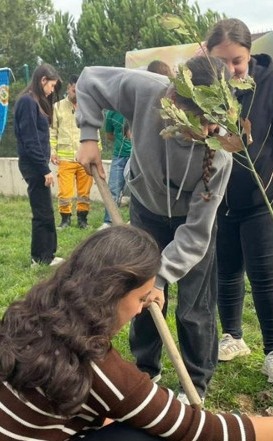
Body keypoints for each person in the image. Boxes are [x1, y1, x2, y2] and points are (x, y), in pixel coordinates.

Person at [0, 226, 273, 441]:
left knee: (115, 421)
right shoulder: (99, 365)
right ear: (108, 293)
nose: (143, 310)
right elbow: (200, 433)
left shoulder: (38, 311)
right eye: (140, 299)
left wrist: (143, 292)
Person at [76, 56, 230, 402]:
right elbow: (89, 79)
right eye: (197, 122)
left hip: (190, 225)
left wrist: (160, 278)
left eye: (213, 123)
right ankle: (147, 370)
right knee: (140, 298)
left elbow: (196, 233)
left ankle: (196, 383)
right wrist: (89, 136)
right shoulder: (146, 91)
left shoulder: (220, 154)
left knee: (195, 307)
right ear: (173, 102)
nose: (207, 131)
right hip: (146, 209)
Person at [205, 19, 273, 385]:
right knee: (226, 273)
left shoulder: (272, 87)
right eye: (220, 62)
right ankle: (233, 337)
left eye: (236, 61)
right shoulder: (203, 92)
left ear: (249, 54)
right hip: (220, 201)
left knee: (266, 275)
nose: (229, 71)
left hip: (261, 198)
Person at [99, 60, 174, 231]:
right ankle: (110, 220)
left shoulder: (171, 107)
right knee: (124, 190)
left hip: (154, 170)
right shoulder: (131, 104)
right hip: (131, 160)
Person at [14, 64, 63, 265]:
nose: (52, 90)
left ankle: (47, 254)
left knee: (46, 211)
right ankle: (40, 257)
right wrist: (44, 170)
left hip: (38, 163)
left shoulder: (35, 102)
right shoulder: (27, 102)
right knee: (42, 213)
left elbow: (39, 137)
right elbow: (30, 139)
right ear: (43, 80)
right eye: (51, 85)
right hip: (34, 166)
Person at [50, 75, 93, 230]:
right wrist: (52, 151)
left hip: (84, 158)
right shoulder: (57, 107)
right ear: (68, 88)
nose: (77, 94)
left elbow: (95, 132)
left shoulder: (87, 107)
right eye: (75, 90)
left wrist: (97, 153)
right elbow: (52, 131)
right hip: (65, 158)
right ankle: (65, 220)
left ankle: (83, 220)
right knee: (64, 193)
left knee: (84, 192)